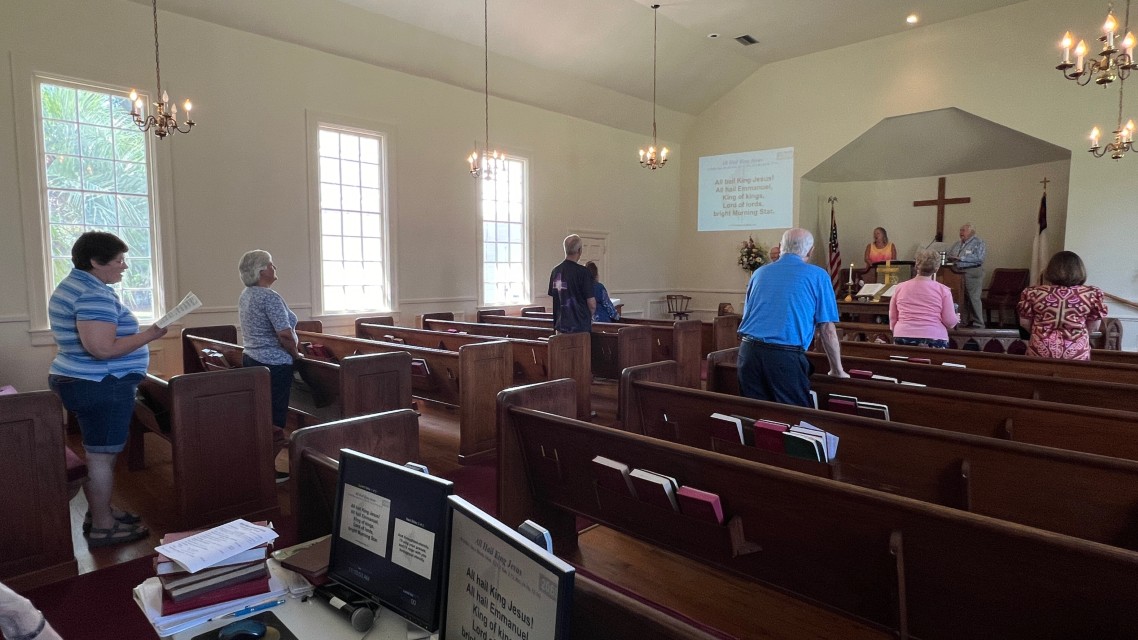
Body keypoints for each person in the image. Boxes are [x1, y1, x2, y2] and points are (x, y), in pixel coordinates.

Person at [48, 231, 165, 547]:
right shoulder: (92, 294)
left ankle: (101, 511)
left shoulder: (75, 285)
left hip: (85, 381)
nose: (124, 266)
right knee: (101, 456)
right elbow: (101, 349)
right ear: (96, 262)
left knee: (98, 452)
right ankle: (103, 526)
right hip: (100, 384)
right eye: (119, 260)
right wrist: (152, 334)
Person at [736, 228, 848, 407]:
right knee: (794, 417)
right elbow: (827, 330)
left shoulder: (759, 273)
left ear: (781, 247)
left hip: (748, 352)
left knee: (756, 414)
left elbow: (748, 314)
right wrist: (837, 370)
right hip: (783, 357)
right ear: (810, 251)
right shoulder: (818, 276)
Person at [238, 250, 301, 482]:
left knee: (260, 416)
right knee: (275, 419)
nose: (274, 268)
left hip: (251, 359)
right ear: (261, 270)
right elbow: (284, 334)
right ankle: (265, 472)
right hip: (274, 364)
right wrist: (296, 354)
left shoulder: (246, 295)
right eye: (271, 265)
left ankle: (254, 467)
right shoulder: (269, 297)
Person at [1017, 251, 1107, 360]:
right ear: (1079, 270)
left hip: (1040, 350)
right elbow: (1094, 326)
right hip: (1076, 353)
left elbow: (1025, 323)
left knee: (1039, 371)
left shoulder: (1033, 293)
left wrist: (1041, 333)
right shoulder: (1091, 294)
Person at [888, 249, 958, 348]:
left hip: (903, 334)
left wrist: (896, 330)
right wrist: (956, 318)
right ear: (937, 268)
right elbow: (950, 322)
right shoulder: (943, 290)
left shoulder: (900, 287)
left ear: (916, 265)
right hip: (934, 336)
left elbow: (893, 317)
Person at [548, 234, 595, 333]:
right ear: (579, 250)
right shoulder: (583, 272)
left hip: (560, 327)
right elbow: (592, 304)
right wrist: (588, 318)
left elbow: (555, 298)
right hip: (580, 328)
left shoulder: (555, 272)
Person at [946, 223, 987, 328]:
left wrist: (961, 258)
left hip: (972, 272)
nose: (960, 233)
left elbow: (979, 258)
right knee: (961, 298)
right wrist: (951, 258)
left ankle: (979, 323)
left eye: (963, 230)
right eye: (960, 230)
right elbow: (949, 254)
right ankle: (963, 321)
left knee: (973, 298)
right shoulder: (957, 243)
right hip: (957, 272)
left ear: (971, 232)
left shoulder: (978, 242)